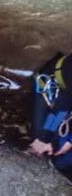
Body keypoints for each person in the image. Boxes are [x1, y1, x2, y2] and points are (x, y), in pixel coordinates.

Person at [27, 51, 72, 181]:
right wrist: (49, 141)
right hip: (53, 85)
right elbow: (60, 109)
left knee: (59, 152)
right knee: (42, 137)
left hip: (65, 99)